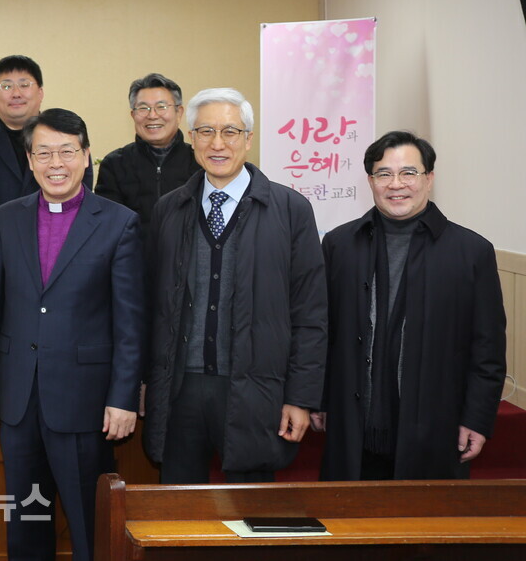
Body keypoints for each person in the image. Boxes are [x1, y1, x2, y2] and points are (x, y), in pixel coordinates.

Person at [0, 109, 144, 561]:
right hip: (17, 396)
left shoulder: (119, 222)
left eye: (67, 151)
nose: (56, 162)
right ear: (30, 160)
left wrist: (123, 396)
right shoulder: (7, 218)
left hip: (85, 399)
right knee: (26, 519)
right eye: (44, 152)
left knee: (90, 522)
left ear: (87, 157)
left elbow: (130, 321)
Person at [143, 88, 327, 483]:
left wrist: (301, 396)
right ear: (190, 138)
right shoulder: (169, 210)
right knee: (179, 514)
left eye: (230, 131)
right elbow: (153, 307)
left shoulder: (291, 211)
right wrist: (147, 383)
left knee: (251, 515)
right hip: (181, 390)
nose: (217, 143)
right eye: (205, 131)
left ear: (249, 138)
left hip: (256, 390)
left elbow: (310, 312)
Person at [315, 131, 507, 480]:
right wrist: (320, 398)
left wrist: (477, 418)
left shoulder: (471, 251)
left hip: (436, 430)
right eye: (384, 173)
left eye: (409, 173)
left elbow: (488, 349)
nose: (396, 184)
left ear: (429, 179)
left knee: (425, 529)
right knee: (351, 527)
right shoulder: (339, 245)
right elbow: (324, 333)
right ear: (370, 181)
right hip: (353, 430)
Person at [0, 55, 91, 260]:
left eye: (24, 84)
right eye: (6, 86)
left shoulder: (68, 134)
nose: (16, 93)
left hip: (58, 251)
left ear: (40, 92)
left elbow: (80, 193)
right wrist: (8, 243)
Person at [94, 73, 196, 238]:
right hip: (133, 261)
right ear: (133, 115)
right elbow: (108, 228)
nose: (152, 115)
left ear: (179, 113)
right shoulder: (114, 165)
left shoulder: (199, 162)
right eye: (143, 108)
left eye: (161, 106)